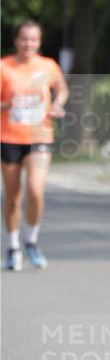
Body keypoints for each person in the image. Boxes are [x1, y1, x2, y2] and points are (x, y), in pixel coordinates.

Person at [1, 20, 69, 271]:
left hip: (40, 136)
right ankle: (12, 247)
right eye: (24, 39)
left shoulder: (48, 66)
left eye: (33, 40)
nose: (28, 44)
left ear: (39, 42)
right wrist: (8, 105)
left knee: (36, 192)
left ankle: (31, 240)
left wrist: (58, 103)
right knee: (12, 196)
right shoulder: (4, 67)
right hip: (9, 137)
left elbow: (61, 89)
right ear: (15, 40)